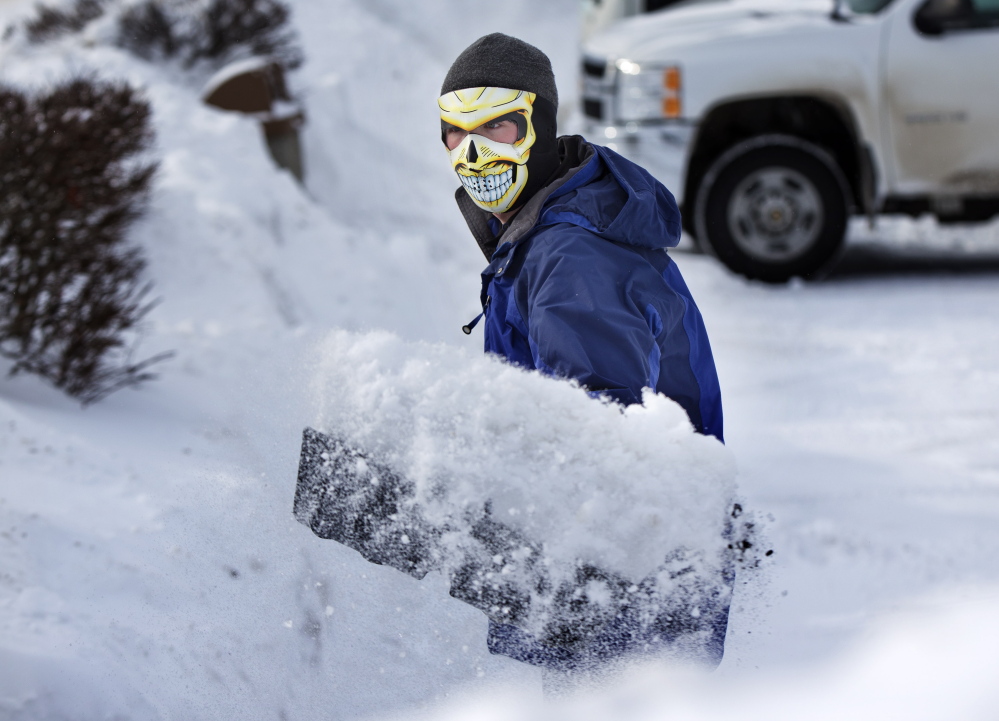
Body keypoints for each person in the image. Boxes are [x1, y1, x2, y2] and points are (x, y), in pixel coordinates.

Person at [438, 33, 727, 689]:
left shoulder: (572, 258)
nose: (474, 155)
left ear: (540, 128)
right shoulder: (548, 227)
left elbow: (594, 431)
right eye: (455, 135)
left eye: (499, 128)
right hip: (625, 567)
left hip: (619, 580)